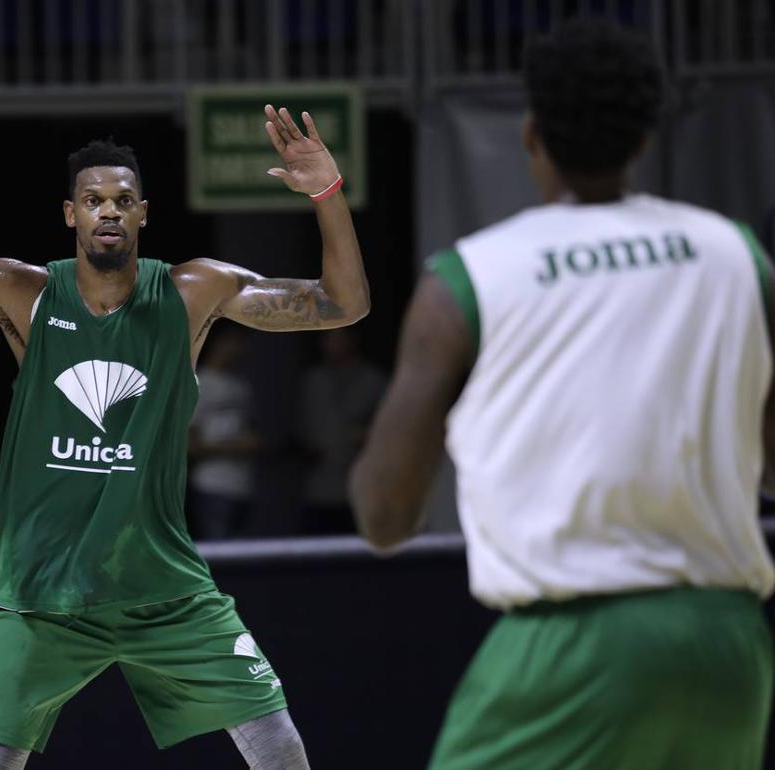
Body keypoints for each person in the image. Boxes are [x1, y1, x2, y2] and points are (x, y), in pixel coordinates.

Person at [0, 61, 369, 769]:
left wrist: (328, 194)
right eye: (94, 200)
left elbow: (344, 305)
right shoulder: (21, 292)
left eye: (123, 198)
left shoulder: (191, 292)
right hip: (43, 593)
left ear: (144, 212)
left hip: (164, 590)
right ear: (71, 215)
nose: (110, 210)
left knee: (278, 744)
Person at [348, 20, 774, 769]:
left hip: (570, 646)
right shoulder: (735, 253)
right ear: (645, 137)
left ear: (531, 135)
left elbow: (385, 518)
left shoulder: (469, 278)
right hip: (727, 645)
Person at [297, 327, 385, 534]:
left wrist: (369, 436)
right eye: (327, 338)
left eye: (338, 338)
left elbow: (392, 424)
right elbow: (301, 426)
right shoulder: (313, 381)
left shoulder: (372, 380)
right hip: (319, 484)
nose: (332, 344)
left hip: (359, 482)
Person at [188, 324, 260, 540]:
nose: (240, 348)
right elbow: (188, 443)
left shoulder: (240, 384)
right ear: (219, 343)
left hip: (243, 485)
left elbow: (251, 432)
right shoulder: (200, 381)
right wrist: (234, 447)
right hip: (211, 485)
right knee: (218, 556)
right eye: (234, 341)